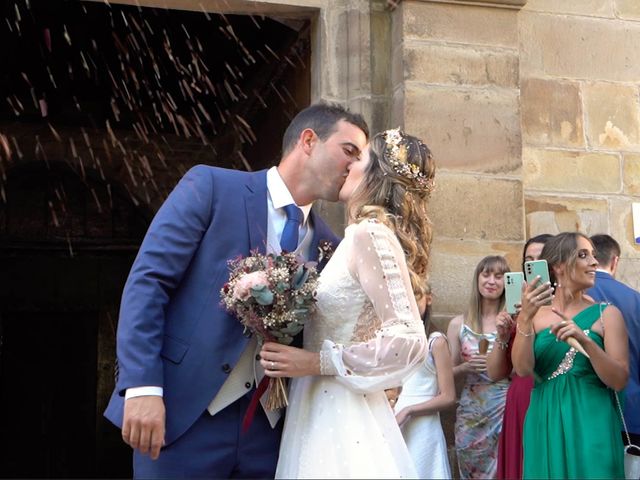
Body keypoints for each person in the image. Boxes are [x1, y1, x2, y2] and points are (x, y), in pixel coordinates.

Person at [103, 103, 369, 478]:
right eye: (350, 151)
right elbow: (149, 283)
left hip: (274, 434)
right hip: (183, 417)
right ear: (308, 141)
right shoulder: (212, 187)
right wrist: (142, 385)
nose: (356, 166)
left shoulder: (333, 246)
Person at [257, 128, 435, 478]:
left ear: (376, 175)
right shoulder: (355, 238)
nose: (349, 165)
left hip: (341, 409)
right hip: (318, 403)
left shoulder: (369, 235)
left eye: (361, 158)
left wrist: (317, 362)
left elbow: (409, 341)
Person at [512, 232, 628, 479]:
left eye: (594, 256)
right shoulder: (535, 315)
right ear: (559, 266)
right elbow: (523, 369)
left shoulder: (607, 315)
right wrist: (524, 318)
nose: (595, 263)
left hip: (592, 420)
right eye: (583, 255)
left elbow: (619, 380)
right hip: (546, 418)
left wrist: (586, 342)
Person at [487, 233, 553, 480]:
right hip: (521, 394)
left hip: (553, 393)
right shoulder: (514, 309)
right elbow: (495, 373)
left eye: (541, 260)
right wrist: (502, 335)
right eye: (529, 261)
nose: (534, 267)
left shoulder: (566, 306)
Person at [446, 255, 511, 479]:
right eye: (486, 274)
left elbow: (524, 368)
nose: (491, 281)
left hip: (503, 408)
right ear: (477, 279)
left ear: (506, 282)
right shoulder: (458, 324)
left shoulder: (512, 322)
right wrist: (466, 367)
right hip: (470, 411)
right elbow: (446, 375)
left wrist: (500, 364)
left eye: (499, 276)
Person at [394, 284, 455, 479]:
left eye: (416, 297)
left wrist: (409, 410)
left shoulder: (435, 342)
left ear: (428, 298)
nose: (410, 305)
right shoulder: (394, 339)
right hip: (394, 423)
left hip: (423, 427)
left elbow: (448, 397)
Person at [587, 234, 640, 453]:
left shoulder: (577, 297)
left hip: (588, 412)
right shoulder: (636, 299)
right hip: (632, 410)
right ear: (615, 261)